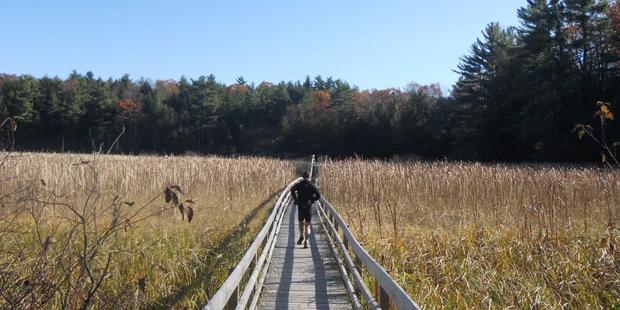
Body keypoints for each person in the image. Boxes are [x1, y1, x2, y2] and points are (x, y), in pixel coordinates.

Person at [290, 171, 321, 248]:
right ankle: (306, 241)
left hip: (300, 206)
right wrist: (312, 200)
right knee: (307, 226)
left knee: (301, 222)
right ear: (309, 177)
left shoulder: (299, 184)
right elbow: (318, 195)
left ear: (302, 177)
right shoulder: (312, 185)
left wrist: (296, 199)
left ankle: (301, 235)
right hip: (308, 207)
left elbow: (292, 189)